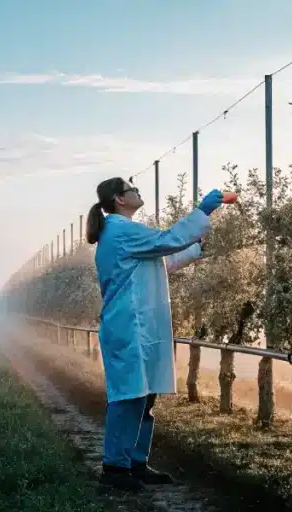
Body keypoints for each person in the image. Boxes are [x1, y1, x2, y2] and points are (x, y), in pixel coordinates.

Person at [85, 177, 224, 492]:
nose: (138, 192)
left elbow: (162, 261)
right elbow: (169, 240)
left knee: (145, 397)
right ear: (120, 199)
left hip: (138, 326)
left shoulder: (122, 232)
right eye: (132, 189)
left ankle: (136, 463)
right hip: (128, 327)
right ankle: (114, 468)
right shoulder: (120, 230)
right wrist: (202, 212)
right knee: (128, 396)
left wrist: (197, 248)